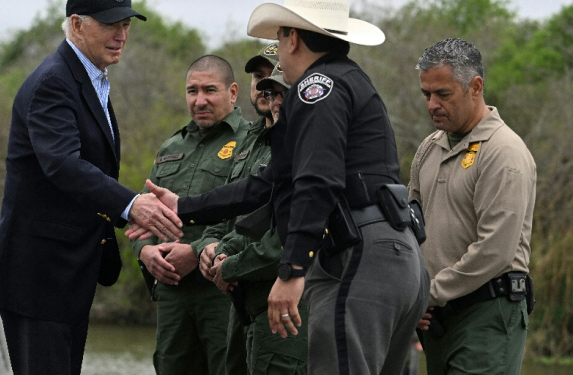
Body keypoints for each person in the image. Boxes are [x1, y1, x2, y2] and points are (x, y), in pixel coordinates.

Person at [129, 2, 430, 374]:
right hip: (398, 257)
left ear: (293, 39)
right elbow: (269, 183)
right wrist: (184, 207)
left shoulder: (315, 88)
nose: (277, 61)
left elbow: (317, 182)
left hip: (358, 256)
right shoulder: (349, 79)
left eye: (278, 36)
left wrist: (291, 271)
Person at [0, 1, 184, 374]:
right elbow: (64, 165)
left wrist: (129, 210)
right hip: (38, 278)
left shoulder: (90, 77)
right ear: (76, 24)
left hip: (68, 275)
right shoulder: (54, 80)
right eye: (110, 25)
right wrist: (132, 205)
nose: (121, 35)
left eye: (126, 25)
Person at [410, 38, 536, 375]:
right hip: (437, 317)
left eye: (443, 94)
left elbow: (495, 250)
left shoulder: (504, 152)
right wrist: (413, 291)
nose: (432, 104)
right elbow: (411, 225)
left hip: (487, 313)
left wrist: (428, 293)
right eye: (427, 94)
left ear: (475, 87)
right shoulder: (428, 148)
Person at [131, 55, 250, 375]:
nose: (199, 100)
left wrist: (195, 251)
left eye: (210, 90)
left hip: (223, 291)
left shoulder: (251, 143)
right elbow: (142, 218)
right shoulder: (170, 146)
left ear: (233, 92)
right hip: (172, 296)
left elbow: (259, 219)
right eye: (192, 91)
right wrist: (145, 251)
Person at [203, 64, 309, 374]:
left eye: (284, 95)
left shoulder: (311, 154)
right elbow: (253, 219)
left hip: (292, 309)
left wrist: (230, 266)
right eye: (272, 94)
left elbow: (283, 243)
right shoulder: (279, 151)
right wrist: (220, 249)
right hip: (249, 304)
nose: (275, 102)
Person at [193, 44, 279, 375]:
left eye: (272, 77)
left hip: (277, 295)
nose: (263, 87)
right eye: (258, 77)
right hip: (239, 299)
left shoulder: (298, 141)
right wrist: (209, 248)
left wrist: (227, 262)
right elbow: (226, 212)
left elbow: (281, 230)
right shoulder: (246, 141)